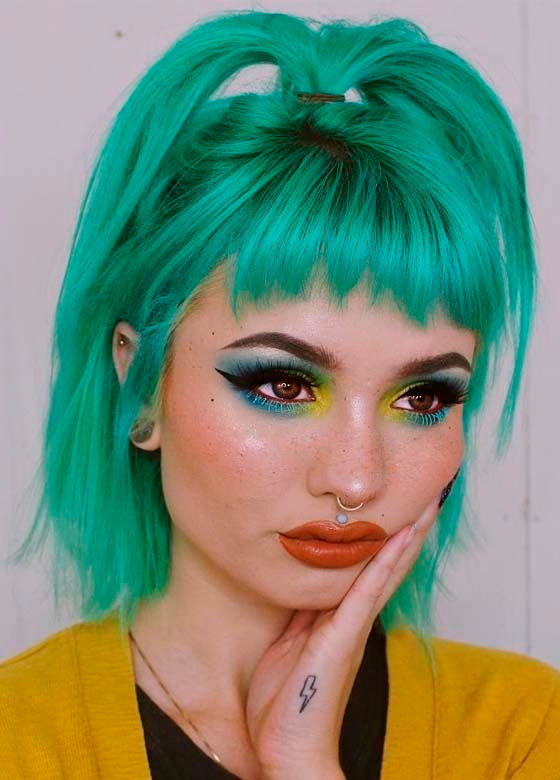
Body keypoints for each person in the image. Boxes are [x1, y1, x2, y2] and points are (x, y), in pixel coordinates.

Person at [1, 9, 559, 780]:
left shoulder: (523, 735)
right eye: (285, 385)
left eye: (422, 398)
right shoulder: (20, 742)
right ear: (143, 384)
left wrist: (302, 761)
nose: (357, 479)